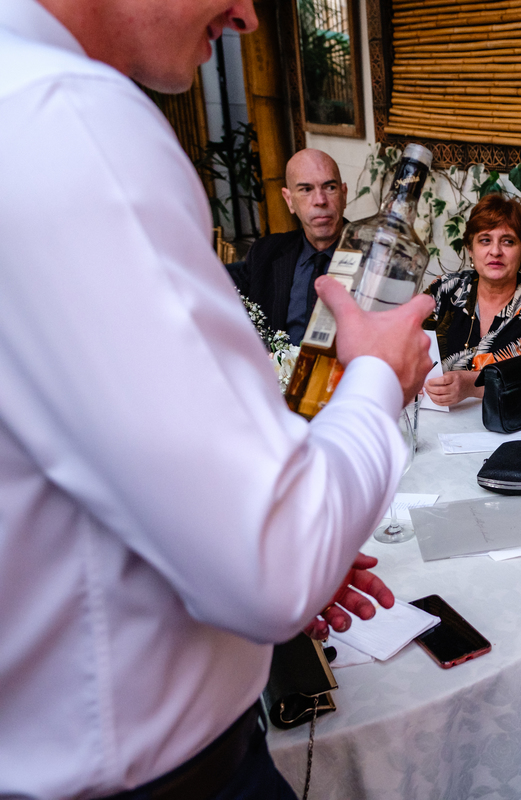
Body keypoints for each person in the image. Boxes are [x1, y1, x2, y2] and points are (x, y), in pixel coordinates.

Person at [0, 1, 435, 797]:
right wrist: (377, 377)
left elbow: (87, 460)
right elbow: (274, 561)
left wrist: (245, 533)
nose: (246, 17)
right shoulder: (64, 119)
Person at [422, 193, 521, 407]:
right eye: (485, 240)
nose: (496, 251)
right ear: (471, 249)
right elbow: (404, 347)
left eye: (508, 242)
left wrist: (472, 385)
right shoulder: (444, 289)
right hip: (440, 416)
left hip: (510, 421)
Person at [228, 148, 350, 344]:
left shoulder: (372, 254)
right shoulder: (265, 253)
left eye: (330, 187)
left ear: (343, 194)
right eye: (306, 190)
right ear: (289, 200)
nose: (320, 201)